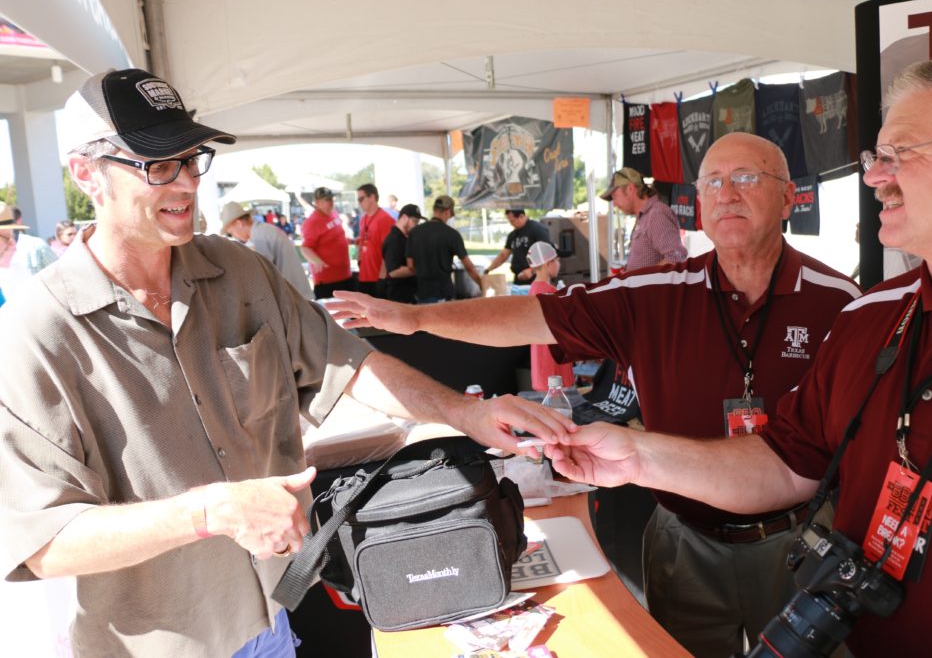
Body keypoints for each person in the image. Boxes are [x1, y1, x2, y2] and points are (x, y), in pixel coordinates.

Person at [0, 68, 574, 658]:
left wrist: (466, 413)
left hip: (269, 618)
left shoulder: (239, 271)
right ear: (86, 175)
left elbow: (349, 365)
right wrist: (209, 512)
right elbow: (43, 543)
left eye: (192, 159)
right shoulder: (36, 330)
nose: (187, 184)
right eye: (156, 165)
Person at [541, 55, 932, 656]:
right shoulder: (872, 318)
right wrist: (637, 456)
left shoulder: (839, 299)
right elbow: (785, 465)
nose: (875, 177)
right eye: (876, 158)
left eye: (902, 153)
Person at [330, 132, 862, 656]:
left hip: (799, 539)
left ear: (790, 195)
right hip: (685, 535)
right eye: (713, 182)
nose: (727, 193)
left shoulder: (843, 304)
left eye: (746, 177)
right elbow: (531, 316)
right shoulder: (655, 293)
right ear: (698, 202)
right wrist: (414, 318)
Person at [220, 201, 314, 299]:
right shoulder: (263, 230)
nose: (234, 236)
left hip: (291, 297)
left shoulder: (259, 236)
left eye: (231, 232)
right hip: (295, 294)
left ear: (238, 224)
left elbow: (263, 273)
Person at [601, 167, 687, 271]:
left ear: (630, 189)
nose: (614, 204)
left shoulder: (656, 214)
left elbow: (676, 257)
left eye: (615, 196)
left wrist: (638, 278)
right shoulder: (645, 215)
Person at [405, 194, 482, 303]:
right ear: (447, 212)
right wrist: (481, 284)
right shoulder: (452, 234)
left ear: (434, 210)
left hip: (421, 294)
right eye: (450, 215)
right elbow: (468, 266)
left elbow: (410, 265)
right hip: (443, 294)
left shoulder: (414, 233)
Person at [524, 241, 574, 392]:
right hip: (554, 362)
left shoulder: (532, 290)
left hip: (540, 360)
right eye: (556, 260)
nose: (559, 264)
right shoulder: (551, 293)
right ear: (547, 263)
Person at [300, 186, 355, 299]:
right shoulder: (312, 222)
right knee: (334, 315)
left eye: (331, 199)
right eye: (326, 200)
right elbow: (305, 248)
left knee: (352, 314)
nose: (330, 203)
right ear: (316, 202)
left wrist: (350, 241)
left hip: (345, 275)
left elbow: (335, 237)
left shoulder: (333, 214)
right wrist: (317, 261)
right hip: (328, 282)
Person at [482, 209, 551, 285]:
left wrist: (531, 270)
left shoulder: (537, 229)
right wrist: (489, 269)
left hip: (535, 277)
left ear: (521, 216)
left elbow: (547, 252)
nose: (511, 224)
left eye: (512, 221)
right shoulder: (513, 235)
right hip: (519, 277)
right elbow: (503, 255)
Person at [355, 183, 394, 297]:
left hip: (378, 278)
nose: (359, 203)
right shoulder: (363, 219)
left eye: (361, 199)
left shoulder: (385, 219)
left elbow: (388, 252)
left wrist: (382, 278)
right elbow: (363, 243)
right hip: (364, 276)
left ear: (372, 197)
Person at [380, 203, 422, 303]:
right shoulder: (394, 240)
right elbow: (394, 271)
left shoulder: (403, 238)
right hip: (398, 295)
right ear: (404, 217)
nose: (416, 226)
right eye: (414, 221)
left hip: (406, 293)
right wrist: (421, 269)